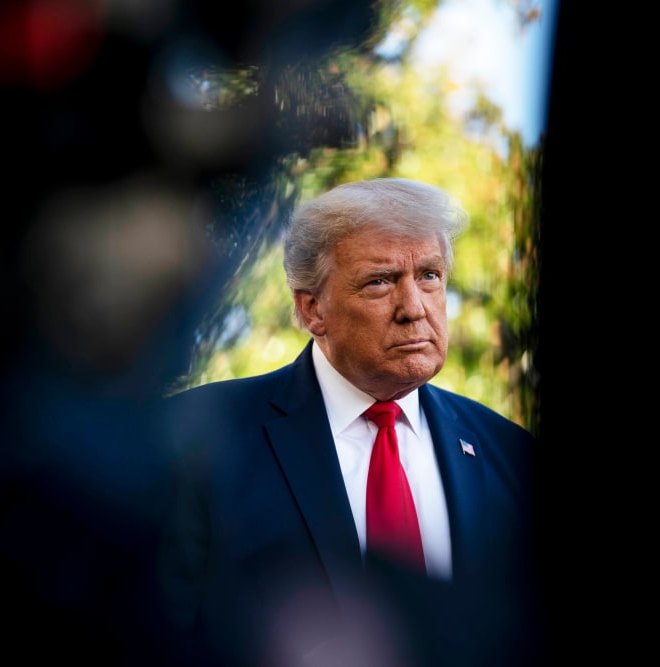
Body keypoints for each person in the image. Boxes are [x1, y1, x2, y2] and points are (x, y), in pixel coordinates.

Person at [155, 177, 544, 667]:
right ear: (311, 308)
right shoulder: (203, 438)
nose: (414, 308)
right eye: (380, 281)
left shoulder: (509, 454)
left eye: (429, 275)